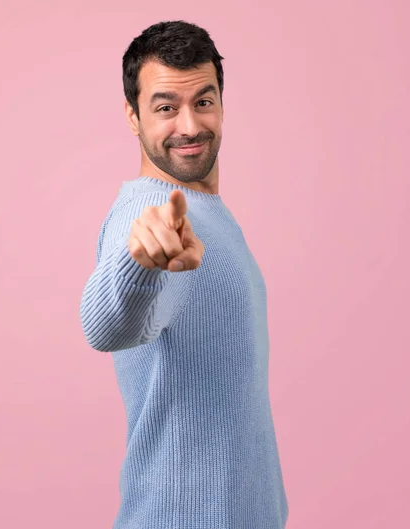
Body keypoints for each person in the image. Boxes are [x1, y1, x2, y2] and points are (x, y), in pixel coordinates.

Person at [80, 20, 289, 529]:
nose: (190, 126)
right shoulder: (149, 212)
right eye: (166, 107)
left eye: (204, 101)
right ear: (133, 116)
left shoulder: (205, 210)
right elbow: (108, 326)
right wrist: (140, 265)